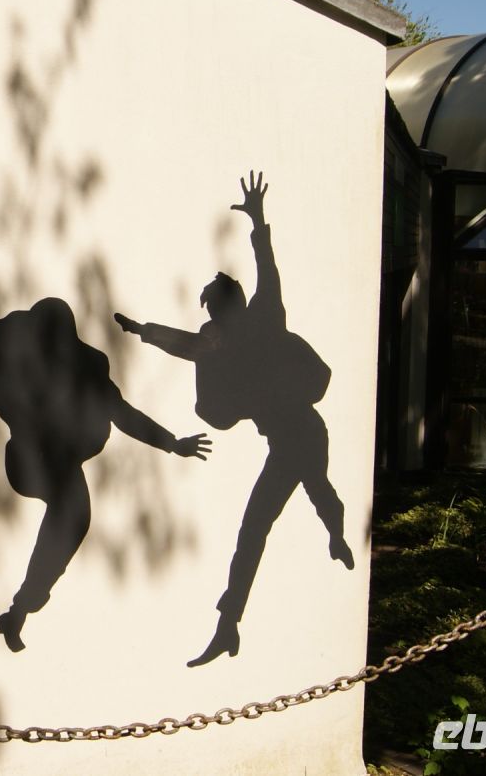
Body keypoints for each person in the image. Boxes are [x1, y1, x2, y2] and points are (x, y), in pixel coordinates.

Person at [115, 172, 350, 668]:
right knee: (256, 527)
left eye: (214, 315)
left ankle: (335, 534)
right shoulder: (220, 341)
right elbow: (187, 344)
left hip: (305, 434)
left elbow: (268, 270)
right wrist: (143, 330)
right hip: (285, 444)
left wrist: (259, 221)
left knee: (318, 494)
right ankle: (229, 623)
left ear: (228, 311)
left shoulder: (264, 315)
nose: (212, 328)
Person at [0, 252, 210, 652]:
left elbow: (124, 415)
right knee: (73, 511)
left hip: (54, 456)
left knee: (73, 516)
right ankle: (22, 605)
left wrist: (172, 444)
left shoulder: (86, 366)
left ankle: (19, 610)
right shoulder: (22, 347)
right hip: (29, 457)